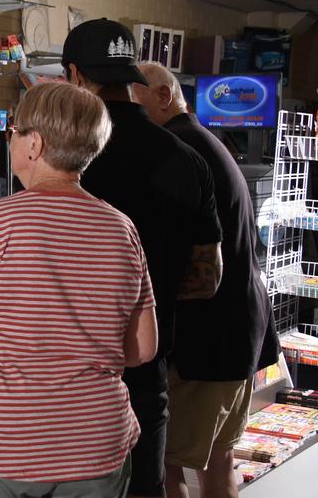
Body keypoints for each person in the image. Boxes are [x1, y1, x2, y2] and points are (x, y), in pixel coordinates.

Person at [0, 81, 157, 497]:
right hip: (95, 444)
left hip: (0, 441)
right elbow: (142, 347)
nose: (11, 139)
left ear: (34, 143)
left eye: (13, 131)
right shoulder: (122, 229)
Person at [64, 18, 223, 498]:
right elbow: (207, 277)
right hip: (147, 371)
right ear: (131, 77)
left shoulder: (61, 160)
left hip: (68, 381)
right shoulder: (187, 159)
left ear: (74, 76)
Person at [134, 62, 279, 498]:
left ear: (164, 97)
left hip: (208, 340)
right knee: (218, 463)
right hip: (239, 332)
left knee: (168, 464)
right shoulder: (207, 143)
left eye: (136, 105)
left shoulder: (179, 152)